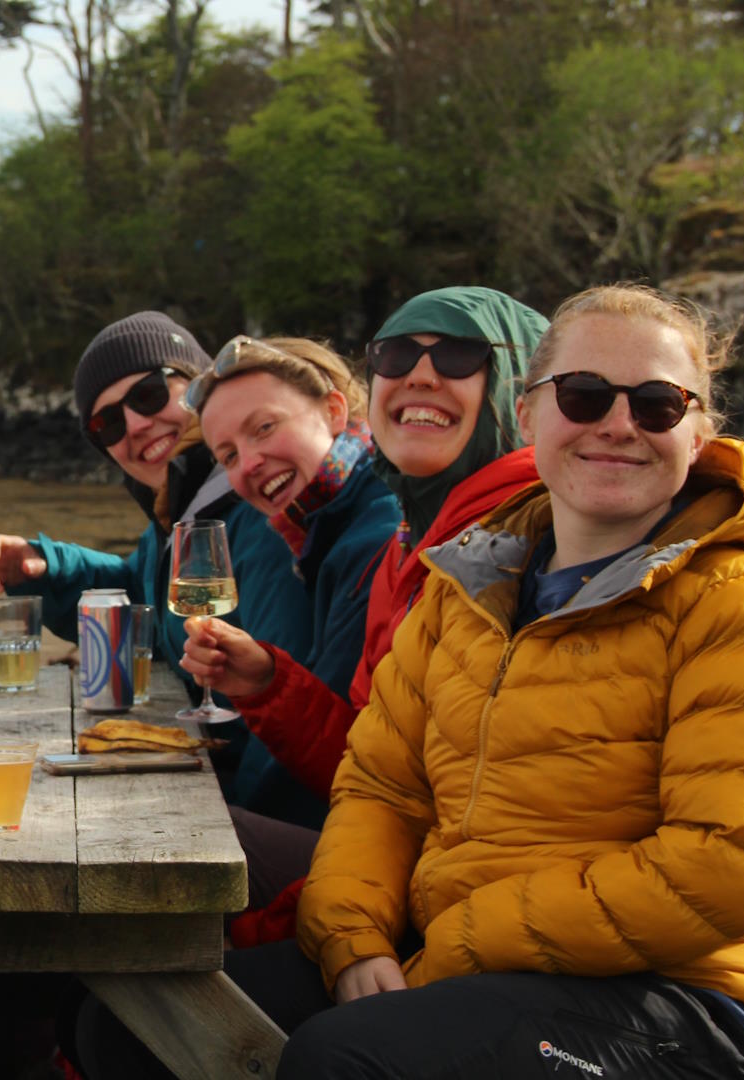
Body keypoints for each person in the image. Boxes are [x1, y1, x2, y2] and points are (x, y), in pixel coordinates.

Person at [79, 283, 744, 1079]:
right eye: (585, 396)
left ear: (698, 433)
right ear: (530, 417)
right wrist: (353, 938)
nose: (618, 424)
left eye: (659, 404)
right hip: (489, 962)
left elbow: (723, 870)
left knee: (345, 1058)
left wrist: (450, 946)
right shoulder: (468, 590)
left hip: (696, 1004)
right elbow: (381, 789)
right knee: (131, 1031)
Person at [185, 287, 549, 944]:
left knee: (178, 842)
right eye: (397, 355)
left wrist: (346, 923)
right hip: (392, 862)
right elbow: (377, 763)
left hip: (466, 906)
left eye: (460, 355)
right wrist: (270, 683)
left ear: (522, 398)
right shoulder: (404, 544)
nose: (421, 373)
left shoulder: (528, 543)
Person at [0, 311, 312, 814]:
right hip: (224, 783)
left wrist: (229, 821)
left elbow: (293, 702)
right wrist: (46, 565)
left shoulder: (257, 509)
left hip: (274, 815)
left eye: (150, 394)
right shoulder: (176, 513)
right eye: (106, 423)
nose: (134, 424)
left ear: (201, 387)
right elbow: (144, 595)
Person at [175, 335, 400, 898]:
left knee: (167, 838)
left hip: (380, 852)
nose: (249, 464)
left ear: (333, 409)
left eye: (265, 428)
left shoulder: (378, 531)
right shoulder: (319, 527)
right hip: (358, 825)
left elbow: (354, 756)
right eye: (227, 456)